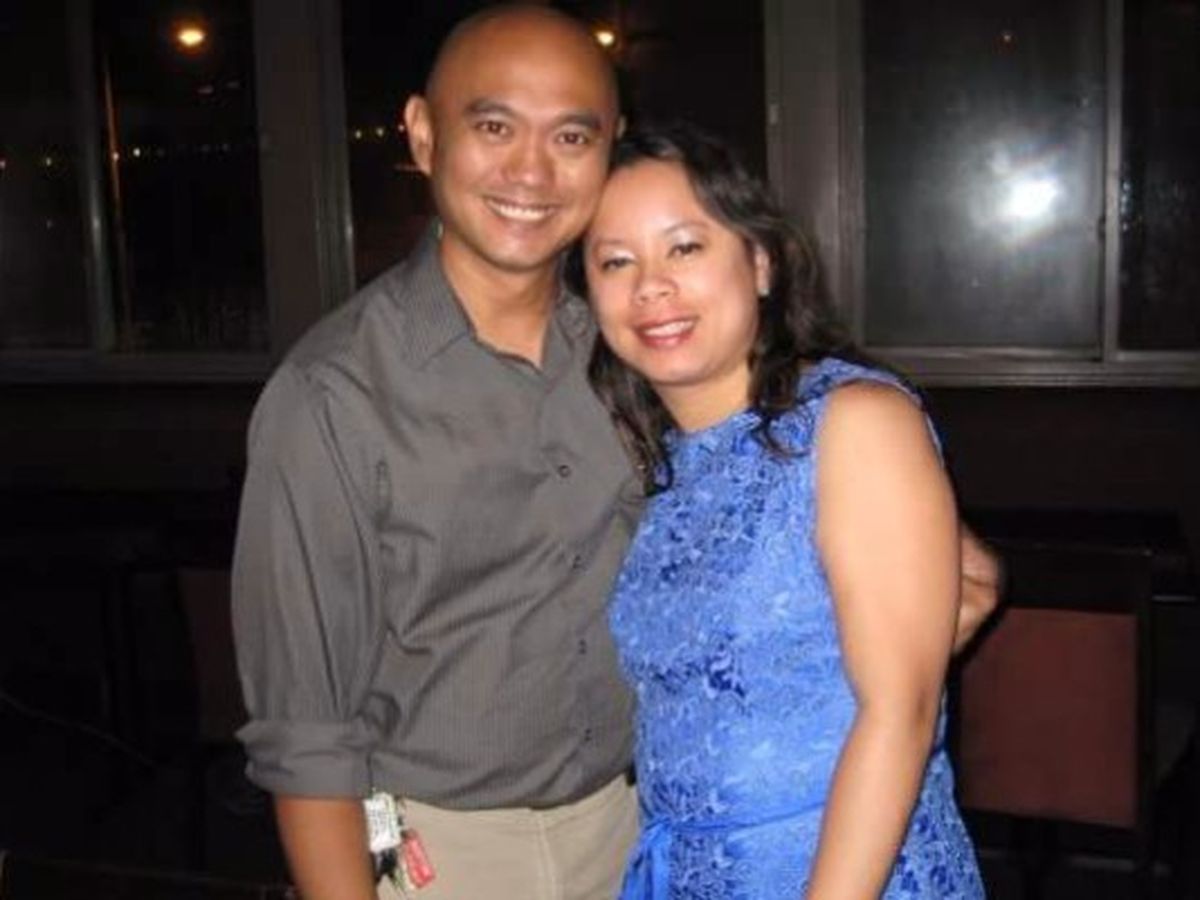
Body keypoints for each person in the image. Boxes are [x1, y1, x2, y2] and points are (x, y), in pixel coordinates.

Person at [231, 7, 997, 899]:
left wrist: (927, 575)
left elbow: (839, 522)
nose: (530, 170)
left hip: (634, 835)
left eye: (571, 136)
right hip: (446, 853)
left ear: (607, 149)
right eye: (494, 127)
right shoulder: (332, 396)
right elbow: (305, 736)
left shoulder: (638, 357)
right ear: (422, 133)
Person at [582, 123, 985, 898]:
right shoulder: (665, 461)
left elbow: (899, 713)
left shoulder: (853, 422)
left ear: (760, 262)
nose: (651, 286)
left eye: (685, 247)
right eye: (616, 261)